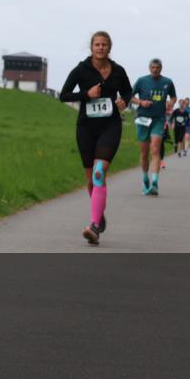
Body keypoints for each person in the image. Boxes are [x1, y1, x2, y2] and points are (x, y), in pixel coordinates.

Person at [59, 31, 133, 245]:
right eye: (97, 44)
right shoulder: (81, 70)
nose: (100, 48)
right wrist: (86, 95)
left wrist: (124, 101)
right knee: (91, 179)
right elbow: (64, 95)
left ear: (109, 48)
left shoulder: (118, 71)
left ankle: (93, 226)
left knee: (100, 173)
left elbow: (128, 92)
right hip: (86, 127)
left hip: (110, 125)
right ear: (91, 47)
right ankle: (98, 215)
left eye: (104, 45)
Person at [131, 58, 177, 195]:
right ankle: (145, 178)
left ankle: (155, 182)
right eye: (152, 68)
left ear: (161, 68)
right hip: (143, 119)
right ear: (149, 68)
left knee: (155, 150)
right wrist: (141, 102)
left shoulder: (167, 82)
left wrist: (171, 103)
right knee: (144, 153)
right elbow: (130, 96)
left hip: (158, 119)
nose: (155, 70)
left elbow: (174, 97)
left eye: (157, 68)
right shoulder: (141, 81)